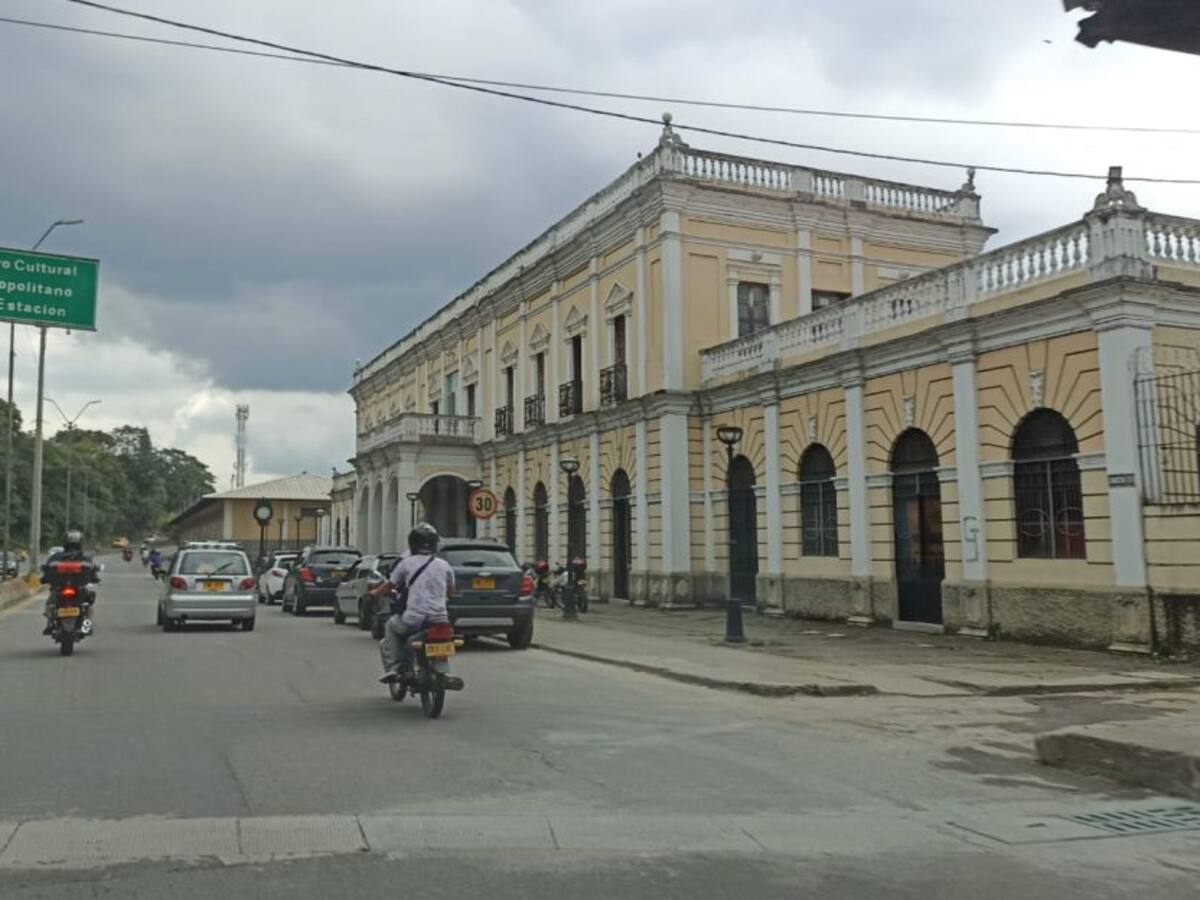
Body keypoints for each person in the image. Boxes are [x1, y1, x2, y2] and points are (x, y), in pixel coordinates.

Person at [371, 523, 454, 683]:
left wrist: (375, 592)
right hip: (440, 619)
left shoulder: (406, 563)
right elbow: (451, 591)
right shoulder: (444, 565)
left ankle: (393, 668)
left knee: (390, 626)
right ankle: (441, 670)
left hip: (414, 619)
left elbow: (390, 585)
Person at [41, 529, 100, 635]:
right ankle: (87, 626)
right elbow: (92, 571)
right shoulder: (85, 558)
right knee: (89, 605)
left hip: (60, 588)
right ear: (81, 542)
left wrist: (44, 578)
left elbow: (47, 569)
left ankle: (50, 623)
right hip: (79, 589)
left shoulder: (56, 556)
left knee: (50, 603)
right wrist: (95, 578)